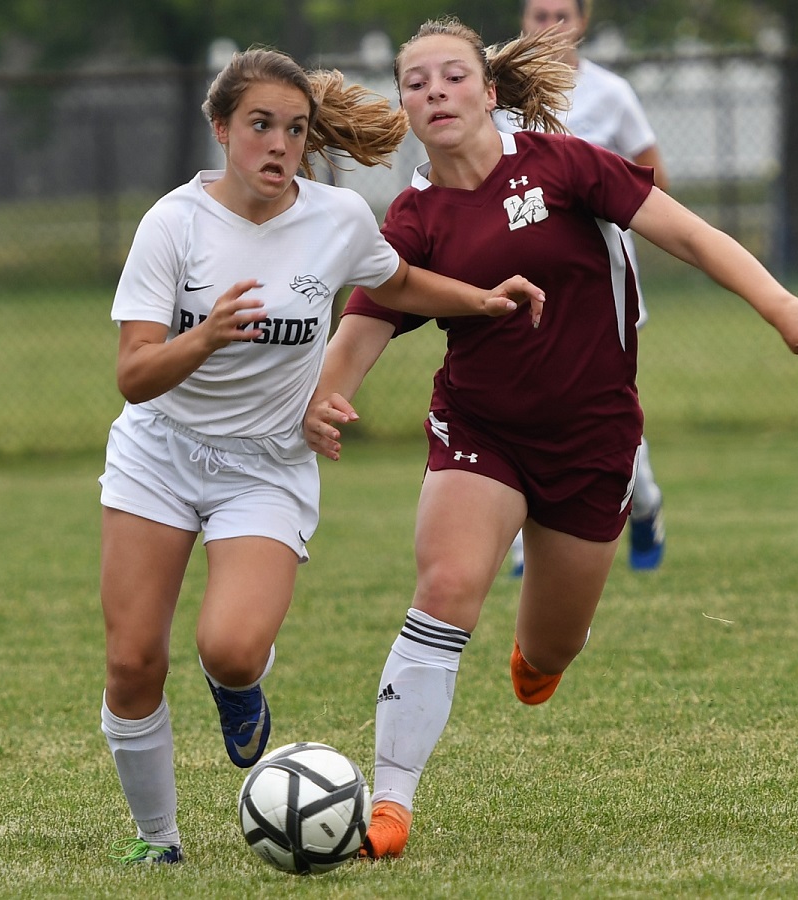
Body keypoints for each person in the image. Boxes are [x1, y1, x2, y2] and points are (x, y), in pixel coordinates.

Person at [303, 18, 798, 860]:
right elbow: (362, 330)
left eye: (455, 76)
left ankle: (543, 651)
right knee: (446, 585)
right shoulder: (412, 219)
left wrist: (785, 308)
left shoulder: (565, 164)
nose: (437, 92)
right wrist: (327, 399)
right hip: (479, 429)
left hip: (593, 440)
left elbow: (691, 236)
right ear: (404, 107)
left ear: (490, 93)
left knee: (549, 647)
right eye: (417, 83)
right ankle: (390, 805)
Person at [98, 46, 544, 867]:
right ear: (223, 129)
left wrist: (480, 299)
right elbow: (133, 376)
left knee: (229, 649)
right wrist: (207, 336)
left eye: (296, 130)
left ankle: (238, 689)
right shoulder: (174, 223)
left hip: (265, 465)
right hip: (158, 455)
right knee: (132, 662)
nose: (278, 145)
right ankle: (157, 842)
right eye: (260, 126)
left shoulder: (336, 219)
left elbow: (399, 280)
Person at [495, 0, 670, 575]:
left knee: (605, 412)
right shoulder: (494, 96)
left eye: (561, 15)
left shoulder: (609, 93)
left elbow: (654, 186)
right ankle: (524, 541)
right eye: (538, 14)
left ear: (584, 21)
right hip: (522, 284)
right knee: (516, 404)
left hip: (599, 288)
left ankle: (642, 504)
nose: (549, 26)